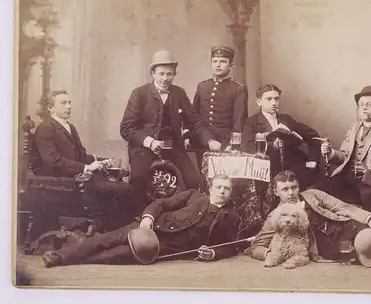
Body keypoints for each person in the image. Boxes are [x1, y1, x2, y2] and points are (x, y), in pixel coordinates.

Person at [248, 170, 371, 275]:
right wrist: (270, 254)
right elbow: (257, 245)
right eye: (285, 189)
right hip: (331, 248)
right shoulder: (275, 215)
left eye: (293, 187)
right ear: (276, 192)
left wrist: (369, 219)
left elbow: (343, 207)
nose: (291, 193)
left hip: (347, 227)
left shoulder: (312, 195)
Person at [41, 174, 241, 268]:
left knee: (116, 255)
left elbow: (230, 246)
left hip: (167, 246)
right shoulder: (193, 196)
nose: (222, 191)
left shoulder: (231, 216)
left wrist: (213, 253)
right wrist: (148, 218)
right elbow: (161, 203)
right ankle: (59, 257)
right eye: (219, 187)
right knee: (106, 240)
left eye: (227, 188)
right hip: (152, 226)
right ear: (211, 188)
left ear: (231, 192)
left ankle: (76, 261)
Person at [120, 50, 222, 208]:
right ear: (152, 73)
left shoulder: (179, 93)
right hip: (144, 148)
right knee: (139, 178)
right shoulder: (139, 94)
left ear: (174, 74)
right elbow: (126, 128)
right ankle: (139, 217)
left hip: (173, 147)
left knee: (193, 180)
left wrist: (209, 140)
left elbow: (194, 122)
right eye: (161, 74)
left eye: (169, 74)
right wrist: (150, 142)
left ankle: (182, 217)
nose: (165, 79)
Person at [34, 90, 135, 232]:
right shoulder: (45, 128)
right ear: (51, 108)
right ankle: (116, 232)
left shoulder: (69, 127)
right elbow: (52, 160)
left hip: (79, 178)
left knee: (122, 186)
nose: (68, 106)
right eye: (63, 103)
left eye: (69, 103)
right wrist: (85, 168)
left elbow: (82, 155)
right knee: (120, 190)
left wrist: (105, 161)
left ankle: (117, 230)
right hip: (62, 183)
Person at [317, 85, 371, 231]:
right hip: (350, 176)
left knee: (368, 190)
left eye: (369, 105)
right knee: (327, 187)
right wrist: (330, 153)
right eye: (361, 105)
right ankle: (341, 232)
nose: (364, 108)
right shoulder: (354, 128)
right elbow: (344, 156)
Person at [242, 84, 321, 190]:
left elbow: (314, 137)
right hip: (266, 171)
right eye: (269, 99)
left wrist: (313, 160)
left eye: (276, 99)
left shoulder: (287, 120)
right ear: (259, 102)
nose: (274, 103)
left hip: (292, 170)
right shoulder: (251, 122)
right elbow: (247, 147)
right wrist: (271, 146)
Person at [192, 45, 248, 152]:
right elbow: (194, 116)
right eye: (215, 61)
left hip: (225, 143)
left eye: (223, 61)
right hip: (202, 139)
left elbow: (239, 119)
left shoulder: (238, 88)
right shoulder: (202, 86)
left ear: (231, 65)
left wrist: (234, 145)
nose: (218, 65)